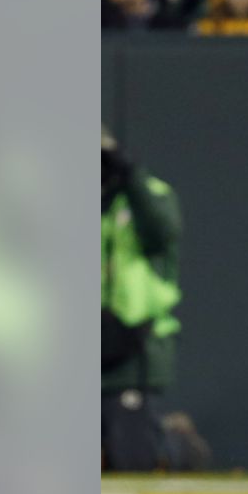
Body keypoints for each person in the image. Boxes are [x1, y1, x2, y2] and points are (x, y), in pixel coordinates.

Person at [101, 127, 183, 471]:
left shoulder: (146, 193)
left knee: (134, 461)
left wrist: (129, 176)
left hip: (132, 345)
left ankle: (178, 442)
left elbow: (161, 233)